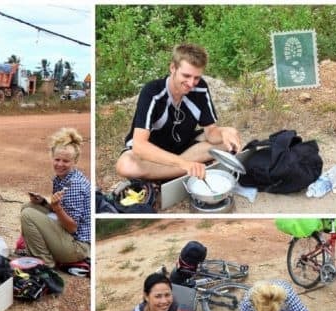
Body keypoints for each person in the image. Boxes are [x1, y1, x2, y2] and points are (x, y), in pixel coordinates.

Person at [116, 43, 242, 181]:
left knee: (229, 139)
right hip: (155, 152)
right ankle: (185, 169)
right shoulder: (152, 92)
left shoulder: (200, 88)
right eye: (186, 75)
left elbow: (211, 133)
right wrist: (183, 164)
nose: (191, 83)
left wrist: (224, 132)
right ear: (173, 68)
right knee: (125, 165)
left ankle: (170, 173)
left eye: (197, 77)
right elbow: (139, 146)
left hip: (183, 146)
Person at [19, 127, 90, 268]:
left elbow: (72, 228)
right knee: (29, 207)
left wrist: (56, 207)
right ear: (52, 157)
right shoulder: (63, 178)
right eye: (57, 159)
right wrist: (44, 203)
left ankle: (45, 263)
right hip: (71, 238)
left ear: (75, 161)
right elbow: (64, 212)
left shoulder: (74, 185)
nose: (60, 164)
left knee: (27, 215)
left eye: (66, 161)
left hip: (77, 247)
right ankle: (43, 252)